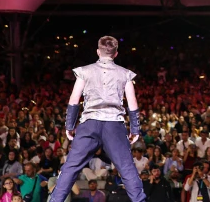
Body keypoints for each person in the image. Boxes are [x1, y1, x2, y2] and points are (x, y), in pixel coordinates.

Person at [48, 36, 144, 202]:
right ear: (116, 54)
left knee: (70, 167)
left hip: (89, 123)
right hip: (114, 124)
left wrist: (69, 126)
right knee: (127, 168)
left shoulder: (85, 71)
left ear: (98, 52)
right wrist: (135, 129)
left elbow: (74, 100)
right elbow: (132, 103)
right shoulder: (125, 74)